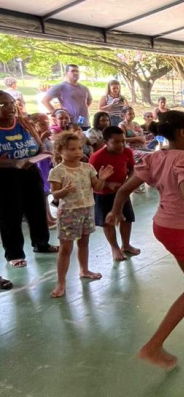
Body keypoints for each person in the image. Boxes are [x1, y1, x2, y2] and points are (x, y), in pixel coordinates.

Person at [106, 110, 184, 369]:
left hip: (163, 225)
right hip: (179, 229)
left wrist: (115, 210)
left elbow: (124, 189)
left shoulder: (156, 157)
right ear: (183, 133)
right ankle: (154, 345)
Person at [48, 131, 114, 297]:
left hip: (87, 208)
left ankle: (84, 270)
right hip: (69, 212)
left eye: (79, 148)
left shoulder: (88, 167)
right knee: (65, 248)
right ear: (60, 151)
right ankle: (61, 282)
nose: (77, 152)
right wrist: (64, 190)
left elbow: (97, 188)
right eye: (72, 149)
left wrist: (103, 178)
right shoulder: (57, 171)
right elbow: (55, 195)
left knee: (84, 242)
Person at [0, 90, 58, 269]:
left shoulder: (23, 123)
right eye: (4, 104)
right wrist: (14, 163)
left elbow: (37, 144)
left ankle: (41, 243)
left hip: (30, 171)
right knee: (10, 216)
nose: (10, 107)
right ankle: (15, 254)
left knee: (37, 209)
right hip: (6, 177)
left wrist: (41, 153)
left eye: (12, 103)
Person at [89, 126, 140, 262]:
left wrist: (128, 183)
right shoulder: (96, 158)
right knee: (108, 222)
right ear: (106, 142)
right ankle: (114, 247)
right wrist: (107, 184)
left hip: (122, 192)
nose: (121, 145)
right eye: (116, 142)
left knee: (127, 218)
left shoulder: (127, 152)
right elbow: (90, 179)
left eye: (123, 141)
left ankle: (126, 244)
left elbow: (132, 169)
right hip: (103, 194)